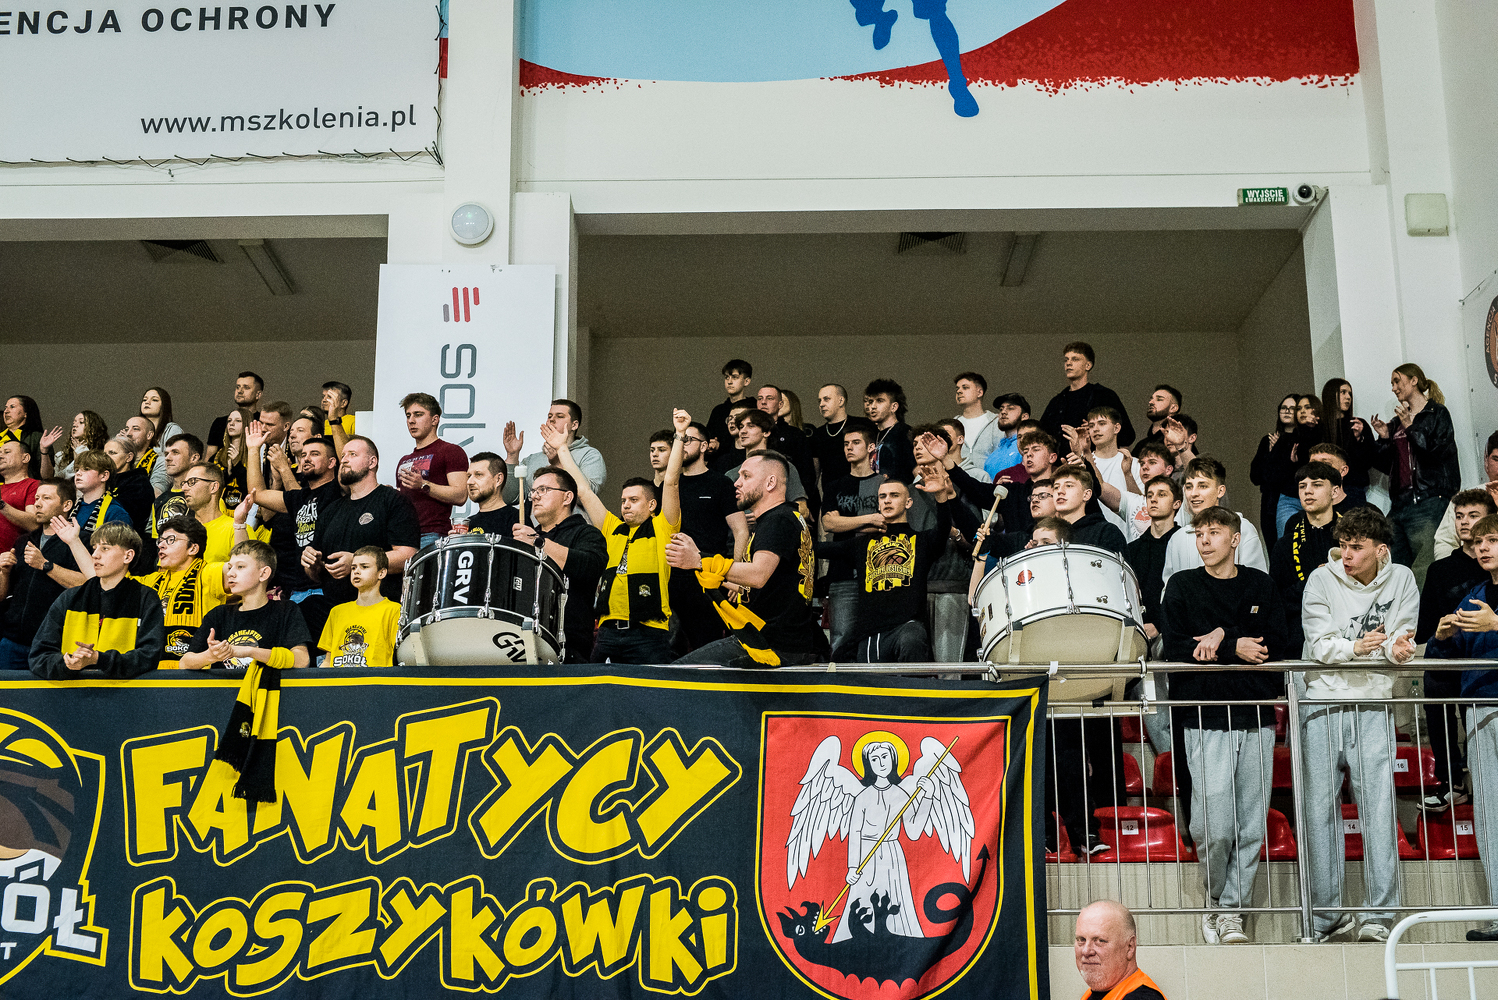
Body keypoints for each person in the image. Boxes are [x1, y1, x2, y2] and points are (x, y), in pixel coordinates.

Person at [1160, 506, 1288, 946]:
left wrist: (1218, 638)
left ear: (1235, 539)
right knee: (1211, 826)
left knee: (1250, 826)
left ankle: (1232, 910)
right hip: (1204, 716)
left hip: (1255, 715)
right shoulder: (1182, 585)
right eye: (1199, 534)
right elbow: (1176, 648)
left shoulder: (1260, 585)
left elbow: (1275, 645)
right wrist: (1233, 642)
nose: (1204, 541)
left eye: (1214, 533)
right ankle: (1216, 899)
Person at [1298, 507, 1419, 943]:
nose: (1346, 555)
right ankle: (1326, 916)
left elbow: (1400, 636)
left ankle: (1379, 916)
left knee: (1379, 808)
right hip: (1323, 700)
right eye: (1343, 546)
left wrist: (1398, 650)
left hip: (1374, 701)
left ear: (1380, 550)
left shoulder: (1402, 578)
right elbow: (1320, 644)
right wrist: (1357, 647)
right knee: (1319, 811)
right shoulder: (1321, 579)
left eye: (1356, 547)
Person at [667, 451, 826, 667]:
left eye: (746, 476)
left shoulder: (777, 520)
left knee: (678, 673)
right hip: (786, 641)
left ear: (770, 483)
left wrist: (700, 560)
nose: (737, 483)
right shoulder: (786, 517)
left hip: (768, 644)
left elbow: (758, 575)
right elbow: (775, 585)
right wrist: (718, 578)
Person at [554, 411, 685, 664]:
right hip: (607, 633)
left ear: (652, 505)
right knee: (596, 688)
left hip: (649, 634)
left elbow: (671, 482)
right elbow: (583, 490)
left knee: (650, 689)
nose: (626, 505)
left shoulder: (663, 528)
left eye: (634, 500)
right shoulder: (611, 527)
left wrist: (679, 435)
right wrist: (562, 449)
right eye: (623, 500)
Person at [1425, 514, 1498, 941]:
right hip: (1480, 709)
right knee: (1489, 814)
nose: (1483, 547)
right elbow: (1442, 662)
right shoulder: (1474, 596)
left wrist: (1497, 625)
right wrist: (1441, 638)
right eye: (1480, 541)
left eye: (1493, 540)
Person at [1415, 488, 1495, 812]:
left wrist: (1494, 623)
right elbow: (1429, 635)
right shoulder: (1459, 580)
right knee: (1435, 676)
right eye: (1459, 516)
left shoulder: (1486, 581)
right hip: (1466, 675)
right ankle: (1451, 780)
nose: (1464, 523)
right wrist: (1441, 636)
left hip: (1485, 678)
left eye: (1473, 516)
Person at [819, 476, 952, 661]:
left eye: (894, 495)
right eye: (882, 496)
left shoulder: (922, 541)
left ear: (908, 503)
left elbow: (944, 528)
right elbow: (817, 549)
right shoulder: (861, 544)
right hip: (870, 632)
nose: (887, 500)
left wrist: (941, 495)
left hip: (906, 627)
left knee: (912, 637)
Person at [29, 522, 166, 679]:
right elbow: (39, 656)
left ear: (128, 556)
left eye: (105, 548)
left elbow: (149, 657)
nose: (95, 555)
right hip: (72, 692)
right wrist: (66, 664)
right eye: (94, 548)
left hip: (125, 692)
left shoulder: (146, 598)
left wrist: (99, 659)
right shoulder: (69, 598)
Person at [304, 436, 421, 607]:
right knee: (306, 607)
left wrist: (356, 561)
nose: (344, 460)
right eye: (343, 456)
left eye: (352, 454)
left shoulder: (393, 500)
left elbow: (408, 556)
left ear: (372, 462)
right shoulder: (331, 510)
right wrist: (312, 564)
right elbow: (316, 575)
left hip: (377, 607)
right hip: (335, 608)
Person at [1372, 363, 1459, 587]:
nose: (1393, 388)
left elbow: (1437, 454)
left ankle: (1423, 612)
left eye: (1397, 381)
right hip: (1399, 505)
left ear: (1414, 381)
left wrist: (1411, 427)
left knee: (1425, 568)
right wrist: (1384, 438)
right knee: (1393, 570)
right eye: (1392, 383)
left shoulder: (1437, 413)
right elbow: (1386, 466)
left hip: (1428, 501)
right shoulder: (1396, 422)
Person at [509, 465, 607, 663]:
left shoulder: (586, 533)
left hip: (568, 644)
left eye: (543, 490)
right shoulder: (529, 537)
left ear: (567, 497)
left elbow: (590, 566)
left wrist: (538, 542)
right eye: (533, 491)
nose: (535, 496)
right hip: (520, 640)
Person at [667, 422, 746, 655]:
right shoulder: (670, 485)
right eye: (679, 440)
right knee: (669, 651)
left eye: (688, 440)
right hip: (671, 578)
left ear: (704, 446)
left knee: (706, 647)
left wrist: (737, 576)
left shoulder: (720, 483)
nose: (682, 445)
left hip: (707, 576)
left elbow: (741, 530)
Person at [246, 426, 342, 604]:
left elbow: (347, 459)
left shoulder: (338, 490)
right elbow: (257, 494)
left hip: (327, 589)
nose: (306, 458)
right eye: (303, 455)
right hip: (297, 590)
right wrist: (253, 450)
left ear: (332, 462)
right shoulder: (300, 497)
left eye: (314, 454)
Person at [181, 541, 311, 671]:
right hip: (224, 685)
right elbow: (184, 663)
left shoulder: (286, 610)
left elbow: (302, 660)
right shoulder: (218, 614)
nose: (230, 573)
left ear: (263, 574)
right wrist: (210, 656)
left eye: (240, 567)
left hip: (267, 684)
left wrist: (249, 651)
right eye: (230, 567)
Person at [0, 480, 87, 671]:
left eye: (46, 498)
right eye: (37, 498)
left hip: (54, 643)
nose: (37, 504)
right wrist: (3, 572)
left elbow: (88, 584)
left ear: (67, 505)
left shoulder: (81, 541)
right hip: (13, 640)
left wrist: (46, 565)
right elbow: (2, 595)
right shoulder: (23, 541)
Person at [129, 516, 230, 669]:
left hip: (195, 673)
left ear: (193, 548)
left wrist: (239, 525)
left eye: (171, 540)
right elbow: (106, 579)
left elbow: (246, 567)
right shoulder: (151, 581)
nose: (161, 545)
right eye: (160, 541)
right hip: (151, 674)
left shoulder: (208, 573)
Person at [822, 419, 885, 653]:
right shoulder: (834, 486)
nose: (849, 447)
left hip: (879, 571)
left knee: (876, 640)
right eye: (846, 443)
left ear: (871, 447)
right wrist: (870, 519)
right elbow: (828, 523)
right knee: (840, 639)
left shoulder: (884, 484)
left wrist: (845, 523)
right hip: (842, 572)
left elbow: (886, 524)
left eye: (856, 442)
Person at [1269, 462, 1343, 652]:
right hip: (1299, 634)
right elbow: (1276, 601)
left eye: (1317, 485)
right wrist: (1314, 581)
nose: (1308, 491)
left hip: (1347, 628)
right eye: (1302, 486)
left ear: (1335, 492)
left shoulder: (1353, 539)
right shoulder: (1284, 546)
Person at [1162, 457, 1266, 586]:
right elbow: (1169, 589)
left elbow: (1258, 583)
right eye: (1189, 487)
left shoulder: (1243, 528)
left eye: (1202, 486)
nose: (1193, 493)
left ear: (1220, 491)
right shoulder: (1177, 538)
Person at [391, 392, 469, 548]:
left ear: (435, 419)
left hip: (432, 534)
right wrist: (391, 495)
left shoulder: (450, 451)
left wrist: (423, 485)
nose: (411, 420)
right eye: (408, 415)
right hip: (402, 537)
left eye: (418, 414)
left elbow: (461, 495)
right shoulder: (404, 460)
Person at [503, 399, 606, 509]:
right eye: (549, 416)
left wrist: (557, 463)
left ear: (574, 425)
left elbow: (587, 499)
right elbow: (510, 498)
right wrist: (512, 455)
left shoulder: (589, 456)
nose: (552, 419)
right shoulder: (532, 460)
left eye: (560, 416)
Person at [1039, 342, 1135, 456]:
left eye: (1075, 359)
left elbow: (1127, 435)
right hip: (1061, 464)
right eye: (1066, 360)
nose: (1068, 363)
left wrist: (1097, 430)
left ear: (1088, 365)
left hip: (1096, 462)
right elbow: (1040, 436)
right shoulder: (1056, 402)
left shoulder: (1105, 396)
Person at [318, 546, 401, 668]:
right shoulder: (337, 612)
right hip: (338, 679)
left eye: (364, 567)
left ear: (382, 573)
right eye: (353, 567)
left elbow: (400, 656)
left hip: (375, 679)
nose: (356, 571)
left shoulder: (394, 610)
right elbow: (327, 661)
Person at [1124, 476, 1183, 640]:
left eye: (1162, 494)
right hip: (1136, 631)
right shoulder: (1132, 549)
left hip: (1174, 632)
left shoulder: (1184, 544)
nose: (1153, 499)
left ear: (1176, 503)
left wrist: (1159, 624)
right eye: (1149, 495)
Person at [1073, 901, 1166, 1000]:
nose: (1086, 951)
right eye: (1081, 940)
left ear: (1130, 947)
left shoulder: (1142, 997)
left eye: (1100, 941)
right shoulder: (1094, 994)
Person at [725, 410, 811, 514]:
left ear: (766, 432)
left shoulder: (783, 467)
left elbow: (802, 510)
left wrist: (769, 518)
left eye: (751, 426)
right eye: (741, 427)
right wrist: (741, 519)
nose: (743, 431)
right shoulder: (731, 475)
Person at [1433, 431, 1498, 560]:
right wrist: (1454, 568)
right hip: (1465, 568)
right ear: (1486, 460)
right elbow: (1445, 542)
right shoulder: (1466, 497)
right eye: (1496, 460)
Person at [756, 385, 819, 515]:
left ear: (780, 404)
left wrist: (801, 503)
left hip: (789, 504)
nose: (763, 402)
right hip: (756, 504)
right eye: (760, 398)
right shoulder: (749, 434)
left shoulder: (795, 435)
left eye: (769, 398)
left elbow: (807, 474)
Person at [1249, 395, 1301, 549]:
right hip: (1269, 504)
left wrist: (1278, 452)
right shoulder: (1268, 440)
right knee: (1274, 549)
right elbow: (1255, 476)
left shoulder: (1301, 441)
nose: (1287, 411)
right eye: (1284, 408)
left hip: (1293, 500)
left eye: (1292, 408)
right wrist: (1271, 453)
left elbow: (1290, 476)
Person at [1320, 378, 1377, 508]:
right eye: (1343, 392)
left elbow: (1369, 461)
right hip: (1325, 488)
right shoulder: (1321, 427)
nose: (1348, 397)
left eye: (1350, 394)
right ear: (1331, 394)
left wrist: (1360, 440)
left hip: (1353, 488)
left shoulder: (1357, 424)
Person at [1102, 441, 1176, 541]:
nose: (1144, 467)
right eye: (1142, 464)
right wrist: (1087, 454)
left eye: (1152, 462)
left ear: (1168, 470)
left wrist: (1183, 448)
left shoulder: (1180, 499)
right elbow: (1100, 486)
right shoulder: (1133, 500)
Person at [1050, 466, 1126, 553]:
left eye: (1069, 486)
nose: (1060, 491)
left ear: (1086, 495)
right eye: (1056, 487)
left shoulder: (1106, 532)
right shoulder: (1046, 533)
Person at [71, 450, 132, 548]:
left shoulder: (116, 513)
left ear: (104, 476)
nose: (78, 473)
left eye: (86, 469)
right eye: (77, 469)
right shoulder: (71, 507)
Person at [205, 371, 264, 460]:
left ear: (258, 394)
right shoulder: (219, 423)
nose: (240, 391)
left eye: (246, 387)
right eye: (238, 387)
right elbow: (209, 458)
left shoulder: (263, 422)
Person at [864, 378, 915, 480]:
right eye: (871, 401)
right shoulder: (869, 434)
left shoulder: (906, 433)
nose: (872, 406)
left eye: (879, 401)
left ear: (894, 407)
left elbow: (917, 471)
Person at [461, 452, 520, 537]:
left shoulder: (517, 519)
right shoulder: (467, 524)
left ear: (498, 479)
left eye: (478, 475)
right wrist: (455, 541)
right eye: (469, 476)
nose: (469, 482)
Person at [705, 359, 754, 460]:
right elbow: (709, 437)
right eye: (727, 377)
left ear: (746, 381)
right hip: (719, 462)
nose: (729, 382)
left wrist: (720, 446)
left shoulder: (754, 408)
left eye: (735, 377)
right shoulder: (718, 411)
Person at [103, 438, 154, 531]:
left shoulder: (139, 484)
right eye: (104, 454)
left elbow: (125, 517)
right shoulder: (104, 479)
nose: (106, 458)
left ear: (129, 457)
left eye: (112, 453)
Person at [41, 410, 107, 481]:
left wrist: (80, 453)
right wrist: (44, 450)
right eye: (74, 422)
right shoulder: (61, 456)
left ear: (93, 428)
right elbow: (49, 478)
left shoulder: (101, 455)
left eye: (81, 422)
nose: (75, 425)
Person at [810, 383, 852, 494]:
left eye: (826, 399)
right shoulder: (818, 434)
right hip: (830, 495)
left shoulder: (860, 425)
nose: (821, 404)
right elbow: (816, 472)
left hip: (860, 492)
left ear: (841, 401)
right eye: (819, 401)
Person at [0, 439, 40, 557]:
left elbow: (35, 524)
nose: (0, 456)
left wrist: (1, 505)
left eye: (7, 452)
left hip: (13, 559)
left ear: (25, 458)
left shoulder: (33, 485)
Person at [953, 372, 1000, 467]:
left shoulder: (996, 422)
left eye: (965, 387)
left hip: (988, 476)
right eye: (957, 388)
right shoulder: (952, 425)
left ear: (979, 392)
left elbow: (1000, 455)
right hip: (958, 476)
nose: (959, 391)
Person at [982, 393, 1030, 480]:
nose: (1003, 412)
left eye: (1010, 408)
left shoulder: (1028, 447)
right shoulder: (993, 455)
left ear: (1024, 416)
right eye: (1001, 409)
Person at [120, 416, 171, 496]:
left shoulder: (160, 460)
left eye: (135, 429)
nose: (128, 434)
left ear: (149, 435)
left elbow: (156, 494)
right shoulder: (119, 457)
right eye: (126, 429)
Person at [213, 407, 253, 509]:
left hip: (246, 509)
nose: (231, 424)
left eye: (238, 421)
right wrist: (229, 472)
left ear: (247, 425)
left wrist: (237, 465)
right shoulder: (219, 455)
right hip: (221, 509)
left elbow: (252, 488)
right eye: (229, 421)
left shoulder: (254, 453)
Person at [0, 396, 43, 479]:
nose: (6, 411)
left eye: (12, 407)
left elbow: (46, 475)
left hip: (24, 484)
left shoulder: (36, 437)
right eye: (5, 408)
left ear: (25, 413)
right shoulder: (1, 436)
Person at [139, 387, 184, 458]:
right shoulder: (132, 429)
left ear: (164, 405)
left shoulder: (173, 429)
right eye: (144, 400)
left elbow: (172, 458)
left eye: (154, 400)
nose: (147, 402)